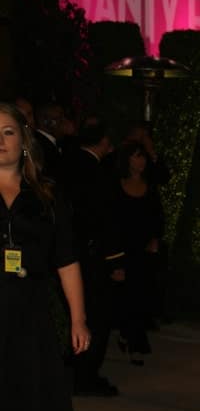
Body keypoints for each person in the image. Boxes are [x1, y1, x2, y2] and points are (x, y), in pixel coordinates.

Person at [0, 102, 90, 411]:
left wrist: (77, 318)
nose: (0, 140)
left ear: (24, 139)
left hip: (30, 322)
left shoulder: (48, 195)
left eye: (9, 131)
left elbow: (67, 259)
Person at [64, 117, 119, 396]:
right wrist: (114, 259)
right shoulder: (97, 174)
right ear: (104, 142)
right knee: (96, 316)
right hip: (90, 256)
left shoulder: (66, 164)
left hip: (69, 252)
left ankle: (75, 371)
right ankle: (85, 374)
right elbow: (103, 220)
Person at [104, 142, 164, 364]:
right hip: (123, 249)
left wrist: (155, 239)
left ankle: (135, 339)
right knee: (125, 295)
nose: (141, 161)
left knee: (141, 295)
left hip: (144, 250)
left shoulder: (150, 186)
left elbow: (158, 217)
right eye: (136, 157)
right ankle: (128, 335)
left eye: (143, 157)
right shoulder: (116, 186)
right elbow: (112, 221)